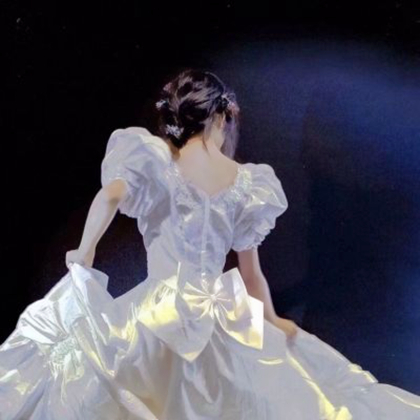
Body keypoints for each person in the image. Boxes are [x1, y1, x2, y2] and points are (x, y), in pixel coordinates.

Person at [0, 70, 419, 420]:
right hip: (222, 315)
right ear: (220, 116)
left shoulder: (156, 160)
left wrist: (86, 250)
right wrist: (272, 320)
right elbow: (251, 275)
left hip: (160, 312)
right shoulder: (245, 181)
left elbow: (110, 195)